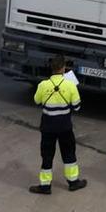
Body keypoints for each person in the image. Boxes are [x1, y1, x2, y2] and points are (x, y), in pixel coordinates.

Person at [31, 56, 86, 194]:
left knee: (47, 155)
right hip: (65, 127)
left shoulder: (43, 85)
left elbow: (37, 101)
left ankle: (45, 186)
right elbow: (77, 107)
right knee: (69, 154)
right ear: (63, 68)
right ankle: (73, 182)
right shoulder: (70, 85)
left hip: (48, 127)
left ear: (52, 68)